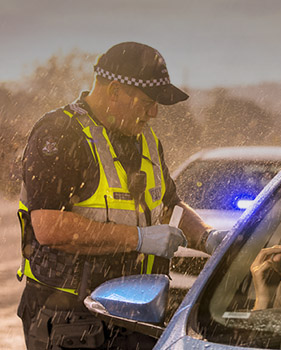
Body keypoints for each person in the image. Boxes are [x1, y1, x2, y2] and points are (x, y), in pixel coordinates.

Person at [16, 42, 226, 349]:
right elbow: (49, 227)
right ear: (115, 91)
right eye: (147, 102)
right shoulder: (60, 133)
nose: (153, 113)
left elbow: (168, 206)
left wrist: (209, 238)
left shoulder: (145, 139)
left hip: (136, 313)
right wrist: (139, 238)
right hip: (69, 316)